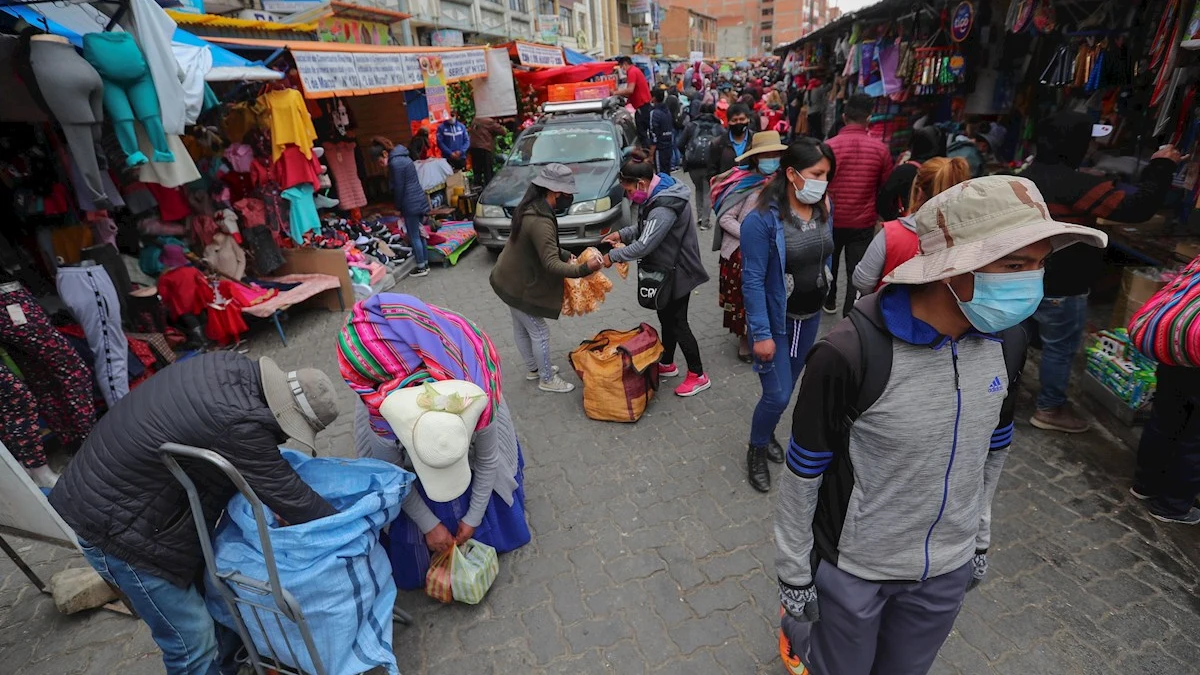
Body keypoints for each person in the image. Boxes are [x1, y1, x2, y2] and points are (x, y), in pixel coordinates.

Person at [776, 176, 1107, 675]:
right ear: (955, 267)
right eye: (1014, 265)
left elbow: (993, 453)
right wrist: (795, 573)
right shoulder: (849, 353)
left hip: (945, 570)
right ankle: (798, 630)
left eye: (1039, 265)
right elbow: (804, 472)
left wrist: (977, 540)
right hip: (855, 569)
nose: (1030, 282)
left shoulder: (1009, 343)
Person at [49, 352, 341, 675]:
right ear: (286, 412)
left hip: (126, 496)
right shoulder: (240, 424)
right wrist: (350, 526)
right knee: (192, 643)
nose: (286, 436)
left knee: (219, 597)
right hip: (117, 527)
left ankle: (231, 665)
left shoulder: (233, 368)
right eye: (290, 429)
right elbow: (293, 498)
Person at [340, 294, 531, 589]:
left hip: (458, 385)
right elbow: (393, 476)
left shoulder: (476, 388)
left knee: (482, 484)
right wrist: (430, 525)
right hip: (392, 381)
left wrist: (473, 517)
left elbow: (488, 458)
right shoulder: (378, 402)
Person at [1021, 110, 1182, 434]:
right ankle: (1050, 408)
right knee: (1059, 347)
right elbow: (1136, 208)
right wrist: (1162, 165)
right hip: (1062, 285)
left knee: (1020, 337)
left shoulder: (1026, 175)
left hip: (1024, 277)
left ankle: (1005, 395)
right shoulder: (1078, 186)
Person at [741, 137, 834, 493]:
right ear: (792, 173)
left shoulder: (825, 206)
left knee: (789, 387)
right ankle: (756, 448)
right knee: (777, 394)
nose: (823, 181)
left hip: (808, 318)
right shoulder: (761, 221)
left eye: (827, 174)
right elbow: (751, 280)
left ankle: (766, 434)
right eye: (817, 173)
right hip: (775, 324)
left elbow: (826, 252)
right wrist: (761, 334)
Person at [602, 150, 711, 397]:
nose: (630, 197)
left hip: (679, 270)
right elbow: (644, 227)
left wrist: (611, 257)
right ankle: (667, 363)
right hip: (666, 269)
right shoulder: (655, 194)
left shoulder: (664, 206)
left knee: (678, 322)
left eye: (629, 191)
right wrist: (622, 234)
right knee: (665, 317)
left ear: (640, 183)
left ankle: (698, 374)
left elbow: (644, 244)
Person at [490, 164, 603, 394]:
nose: (570, 198)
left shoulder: (530, 207)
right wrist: (584, 268)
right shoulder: (540, 220)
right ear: (555, 192)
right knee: (539, 332)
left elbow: (542, 247)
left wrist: (563, 253)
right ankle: (547, 378)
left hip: (506, 279)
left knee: (522, 328)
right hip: (519, 285)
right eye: (568, 194)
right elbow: (550, 264)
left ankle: (534, 369)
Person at [854, 156, 972, 294]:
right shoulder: (973, 236)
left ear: (919, 192)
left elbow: (862, 282)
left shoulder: (891, 235)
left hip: (891, 311)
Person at [822, 93, 892, 317]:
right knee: (857, 270)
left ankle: (829, 299)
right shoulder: (880, 149)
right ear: (869, 118)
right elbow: (885, 187)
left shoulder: (828, 147)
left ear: (844, 117)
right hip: (862, 221)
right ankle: (850, 313)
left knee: (829, 264)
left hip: (831, 218)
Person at [1132, 358, 1200, 525]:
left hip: (1178, 353)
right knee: (1195, 444)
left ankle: (1145, 484)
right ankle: (1172, 506)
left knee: (1163, 421)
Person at [876, 126, 945, 221]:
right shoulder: (946, 168)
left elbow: (883, 200)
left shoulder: (904, 171)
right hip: (937, 224)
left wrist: (893, 219)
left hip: (908, 222)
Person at [677, 101, 724, 230]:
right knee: (708, 191)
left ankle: (699, 216)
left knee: (698, 189)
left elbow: (680, 143)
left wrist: (686, 155)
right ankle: (705, 221)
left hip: (693, 164)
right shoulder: (718, 127)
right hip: (711, 164)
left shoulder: (691, 125)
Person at [387, 143, 431, 277]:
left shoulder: (395, 163)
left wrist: (398, 206)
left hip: (409, 203)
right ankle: (425, 263)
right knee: (420, 233)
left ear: (384, 154)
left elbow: (399, 187)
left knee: (414, 235)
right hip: (418, 199)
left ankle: (421, 267)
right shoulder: (405, 157)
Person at [615, 56, 652, 148]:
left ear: (625, 64)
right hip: (643, 106)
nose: (622, 69)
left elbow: (630, 90)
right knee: (643, 131)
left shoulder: (632, 71)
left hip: (642, 106)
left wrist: (615, 92)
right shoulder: (635, 71)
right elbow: (630, 93)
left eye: (621, 67)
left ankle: (647, 153)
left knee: (642, 132)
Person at [710, 103, 754, 176]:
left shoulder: (755, 139)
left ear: (748, 119)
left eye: (742, 119)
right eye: (734, 120)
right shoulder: (718, 143)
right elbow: (712, 171)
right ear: (728, 121)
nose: (738, 122)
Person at [468, 115, 507, 188]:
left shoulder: (475, 119)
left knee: (477, 173)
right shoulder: (489, 121)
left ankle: (477, 190)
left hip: (473, 148)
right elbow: (502, 131)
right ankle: (489, 190)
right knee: (488, 172)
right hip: (484, 148)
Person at [648, 85, 676, 174]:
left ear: (654, 98)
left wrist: (651, 155)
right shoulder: (667, 111)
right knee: (667, 174)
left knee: (660, 176)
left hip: (659, 150)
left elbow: (654, 135)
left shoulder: (654, 113)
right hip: (668, 147)